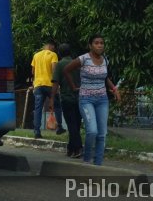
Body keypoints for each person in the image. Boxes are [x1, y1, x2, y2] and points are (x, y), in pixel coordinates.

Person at [64, 34, 120, 166]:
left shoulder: (105, 60)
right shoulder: (83, 59)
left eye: (102, 43)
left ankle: (98, 164)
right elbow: (66, 70)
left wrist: (114, 89)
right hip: (86, 99)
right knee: (92, 131)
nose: (100, 45)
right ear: (90, 45)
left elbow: (104, 78)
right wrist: (73, 87)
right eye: (96, 43)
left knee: (102, 134)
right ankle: (87, 161)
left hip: (102, 99)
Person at [51, 43, 82, 158]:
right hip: (79, 97)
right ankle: (71, 148)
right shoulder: (77, 63)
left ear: (59, 53)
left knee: (71, 125)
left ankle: (78, 148)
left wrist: (52, 99)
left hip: (67, 98)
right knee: (76, 124)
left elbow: (55, 83)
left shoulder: (60, 65)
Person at [30, 40, 65, 138]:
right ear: (51, 46)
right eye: (54, 47)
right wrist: (57, 84)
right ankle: (59, 127)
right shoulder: (53, 54)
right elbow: (54, 69)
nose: (54, 49)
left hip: (38, 85)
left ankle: (37, 131)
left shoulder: (36, 55)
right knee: (57, 105)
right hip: (50, 85)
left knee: (38, 108)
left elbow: (33, 71)